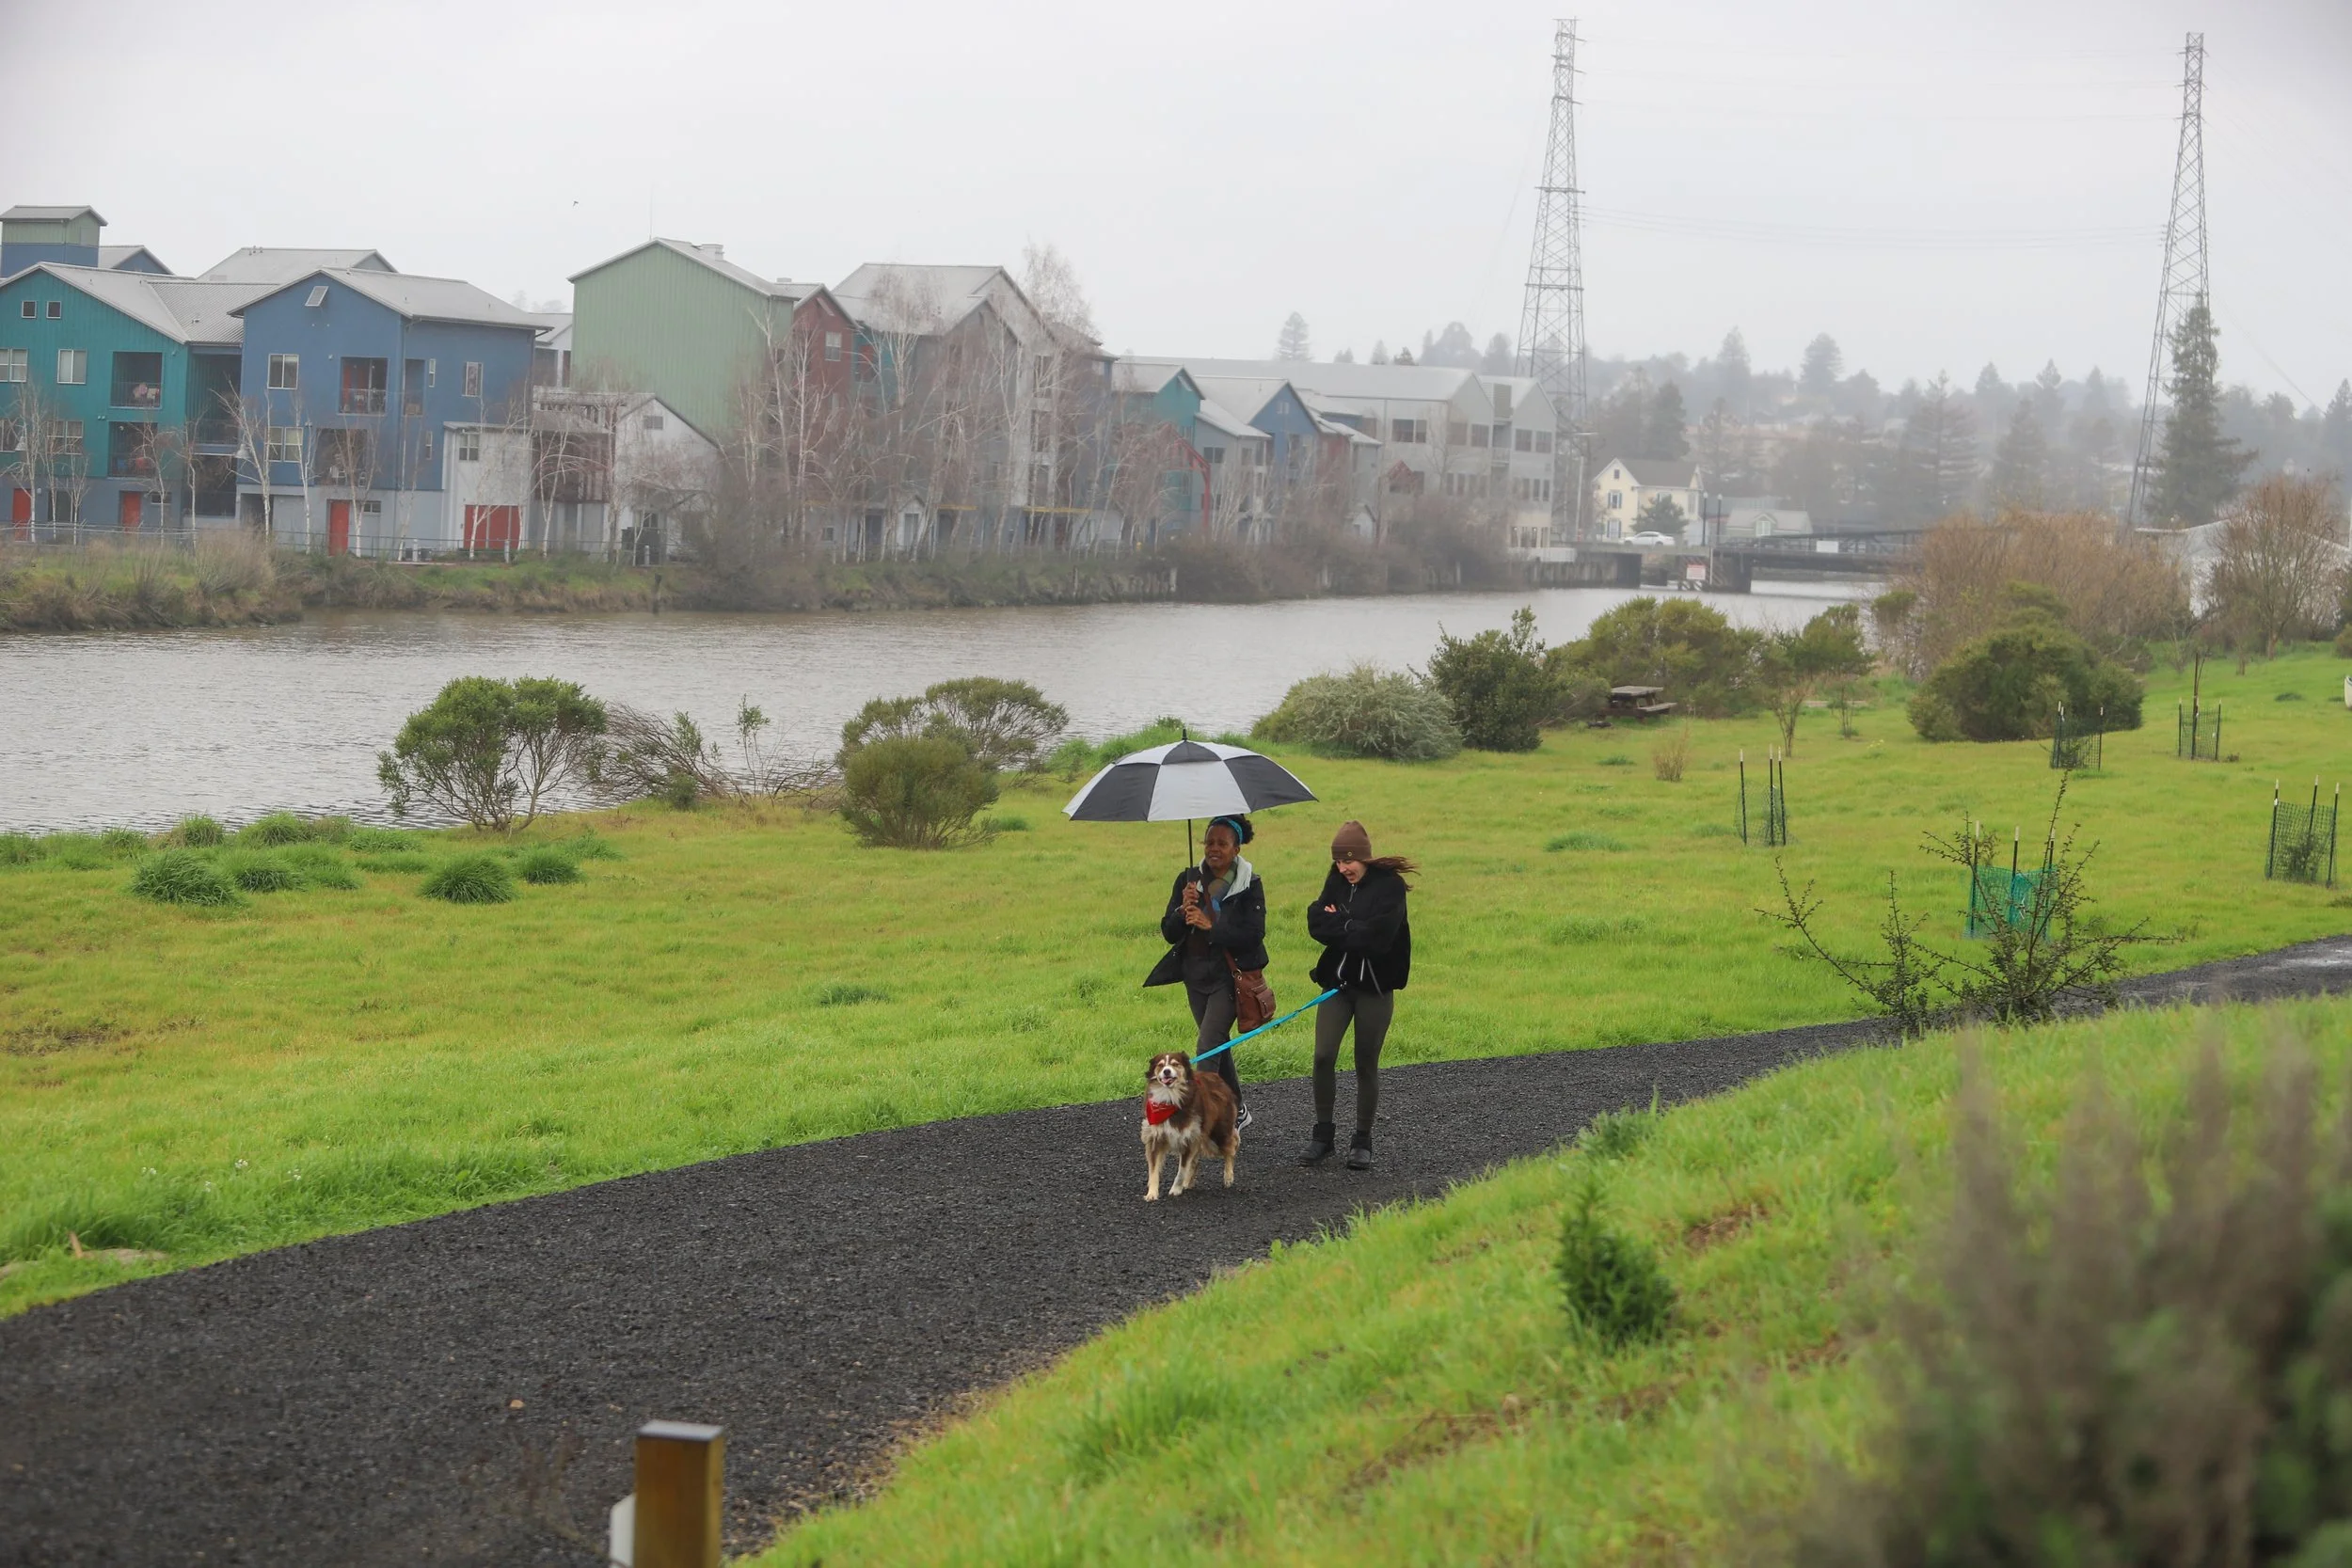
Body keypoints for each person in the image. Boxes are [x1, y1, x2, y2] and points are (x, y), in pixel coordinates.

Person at [1300, 819, 1413, 1171]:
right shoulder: (1335, 881)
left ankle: (1362, 1140)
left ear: (1363, 858)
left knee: (1366, 1062)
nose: (1342, 868)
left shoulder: (1390, 888)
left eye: (1348, 861)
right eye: (1338, 862)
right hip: (1337, 986)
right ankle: (1323, 1136)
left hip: (1375, 990)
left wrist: (1342, 924)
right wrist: (1351, 927)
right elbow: (1315, 921)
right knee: (1323, 1056)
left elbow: (1380, 938)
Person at [1142, 815, 1264, 1130]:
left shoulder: (1250, 884)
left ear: (1236, 849)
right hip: (1194, 976)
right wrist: (1183, 910)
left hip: (1228, 978)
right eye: (1210, 842)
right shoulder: (1189, 879)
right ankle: (1237, 1109)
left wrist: (1214, 925)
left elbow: (1254, 933)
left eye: (1222, 843)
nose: (1214, 849)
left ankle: (1202, 1120)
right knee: (1219, 1045)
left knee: (1207, 1048)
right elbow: (1169, 933)